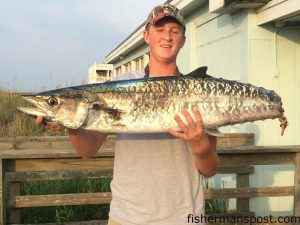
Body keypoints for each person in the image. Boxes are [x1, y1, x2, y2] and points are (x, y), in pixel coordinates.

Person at [36, 3, 219, 225]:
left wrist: (199, 145)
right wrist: (71, 125)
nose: (167, 37)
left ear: (183, 40)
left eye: (174, 31)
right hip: (126, 217)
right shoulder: (118, 85)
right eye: (159, 30)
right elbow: (87, 150)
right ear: (146, 36)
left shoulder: (202, 91)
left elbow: (209, 170)